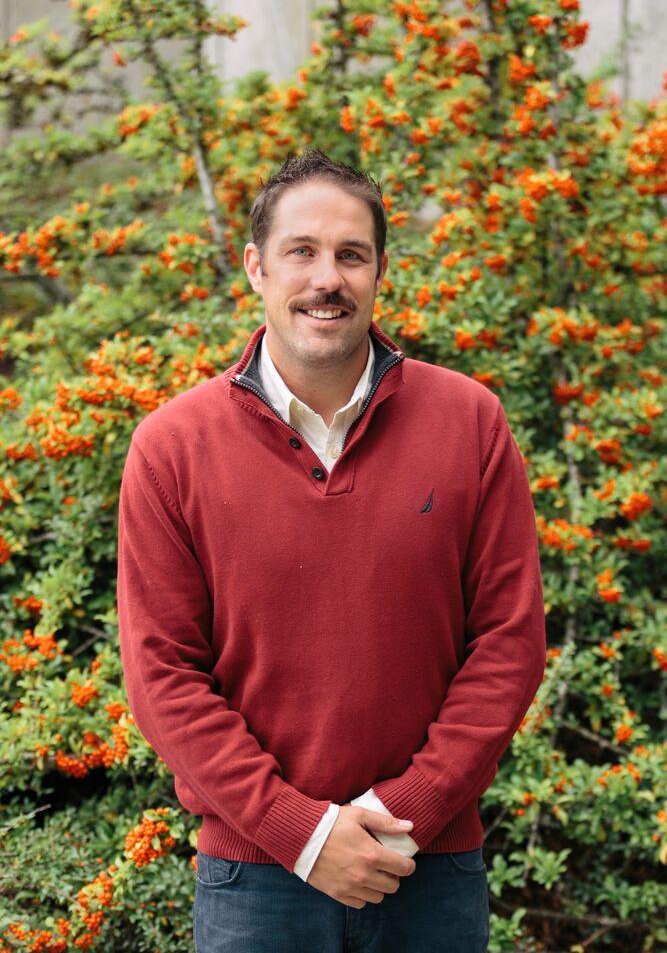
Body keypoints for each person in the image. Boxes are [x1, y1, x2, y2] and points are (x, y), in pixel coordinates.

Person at [117, 147, 547, 952]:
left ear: (380, 271)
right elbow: (161, 673)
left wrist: (404, 811)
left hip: (427, 864)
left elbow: (508, 643)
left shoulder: (469, 423)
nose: (327, 278)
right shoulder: (172, 448)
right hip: (255, 883)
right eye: (301, 252)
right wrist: (302, 833)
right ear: (256, 267)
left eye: (351, 255)